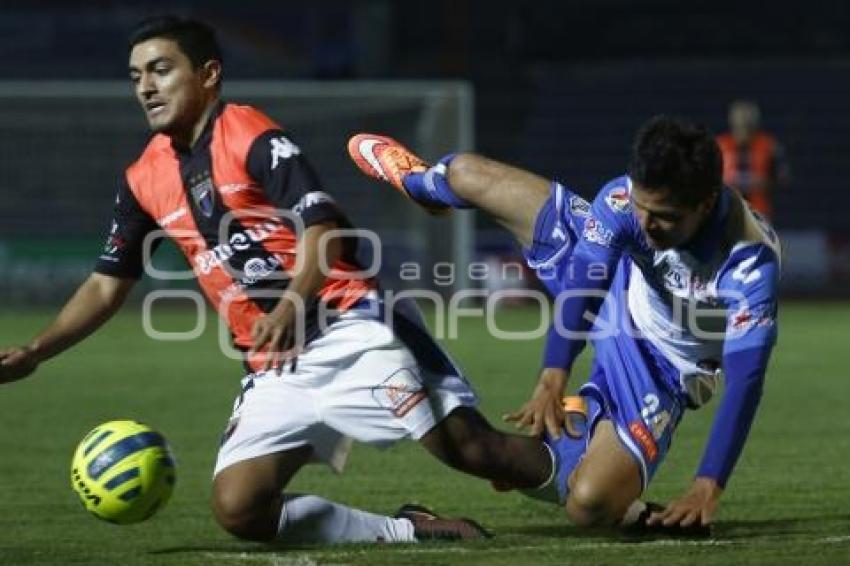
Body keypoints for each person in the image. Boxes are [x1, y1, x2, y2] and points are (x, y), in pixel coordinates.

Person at [0, 16, 572, 545]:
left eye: (160, 69)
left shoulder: (250, 136)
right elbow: (107, 284)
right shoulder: (142, 178)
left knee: (470, 449)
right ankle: (410, 529)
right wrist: (36, 351)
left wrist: (290, 304)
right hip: (275, 362)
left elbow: (324, 231)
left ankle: (604, 498)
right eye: (136, 76)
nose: (145, 87)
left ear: (209, 75)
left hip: (348, 326)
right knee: (239, 506)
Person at [348, 115, 781, 530]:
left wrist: (708, 485)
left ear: (704, 203)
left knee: (589, 505)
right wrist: (552, 377)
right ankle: (421, 184)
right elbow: (585, 285)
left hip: (661, 367)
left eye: (664, 217)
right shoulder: (624, 202)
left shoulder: (749, 264)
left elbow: (745, 382)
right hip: (619, 284)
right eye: (641, 207)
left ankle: (578, 435)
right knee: (466, 172)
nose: (646, 225)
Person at [716, 100, 790, 219]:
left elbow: (782, 177)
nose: (743, 128)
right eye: (740, 124)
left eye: (747, 124)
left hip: (759, 212)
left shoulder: (768, 145)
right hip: (727, 212)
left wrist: (763, 183)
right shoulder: (720, 145)